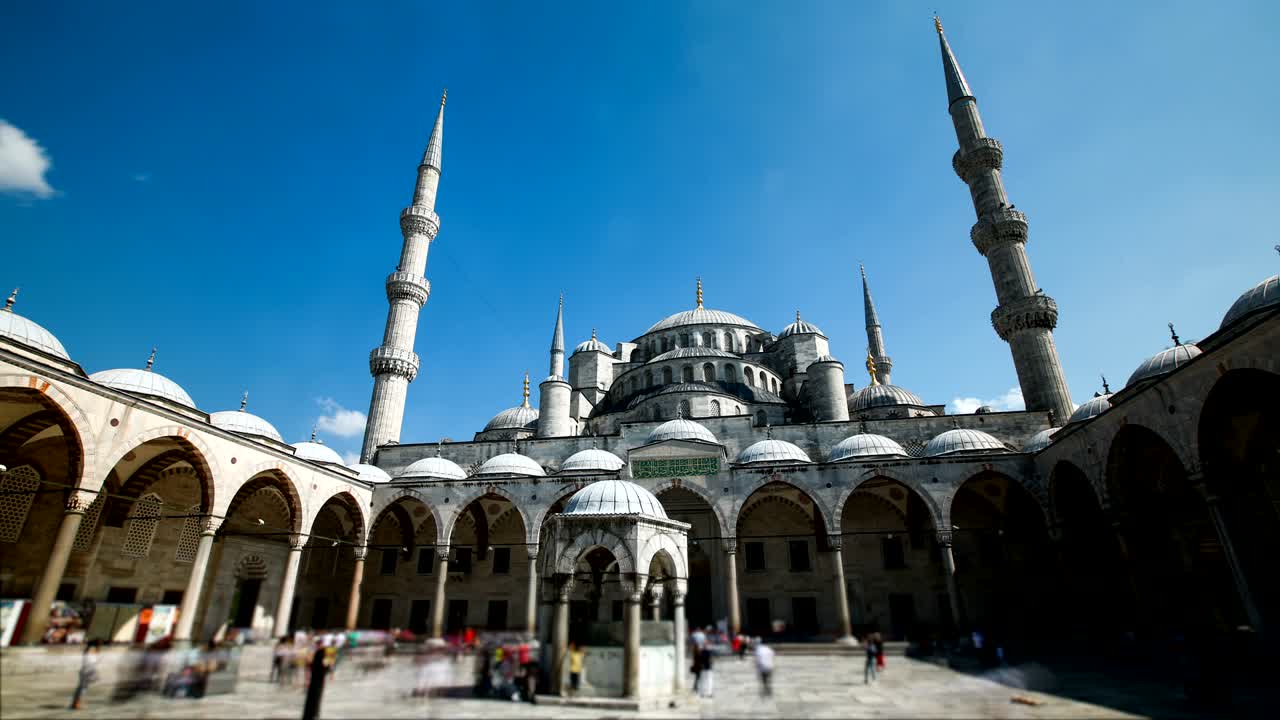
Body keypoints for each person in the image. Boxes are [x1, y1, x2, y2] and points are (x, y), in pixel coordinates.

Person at [302, 639, 332, 720]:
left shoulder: (321, 653)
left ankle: (312, 714)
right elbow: (326, 666)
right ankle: (314, 714)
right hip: (317, 679)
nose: (317, 646)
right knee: (315, 697)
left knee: (314, 697)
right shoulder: (320, 653)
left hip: (317, 679)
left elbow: (324, 666)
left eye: (318, 645)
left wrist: (309, 664)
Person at [69, 639, 101, 710]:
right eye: (99, 644)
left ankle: (75, 703)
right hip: (87, 671)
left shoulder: (89, 650)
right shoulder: (92, 650)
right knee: (83, 688)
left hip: (85, 670)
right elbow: (92, 661)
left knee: (81, 688)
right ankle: (76, 704)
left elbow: (91, 661)